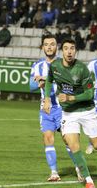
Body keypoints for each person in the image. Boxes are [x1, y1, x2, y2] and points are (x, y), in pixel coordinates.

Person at [44, 39, 97, 188]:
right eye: (66, 48)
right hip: (68, 113)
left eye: (72, 48)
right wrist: (47, 98)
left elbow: (89, 94)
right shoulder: (54, 66)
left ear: (75, 51)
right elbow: (49, 80)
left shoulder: (82, 69)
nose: (69, 51)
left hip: (87, 111)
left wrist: (70, 97)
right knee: (73, 145)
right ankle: (88, 180)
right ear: (62, 52)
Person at [29, 34, 82, 182]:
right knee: (47, 138)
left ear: (56, 47)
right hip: (45, 110)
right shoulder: (37, 65)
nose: (49, 47)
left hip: (63, 108)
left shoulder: (64, 63)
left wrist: (45, 79)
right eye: (46, 44)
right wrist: (38, 82)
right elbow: (31, 86)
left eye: (52, 44)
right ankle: (54, 172)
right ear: (42, 47)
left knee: (68, 140)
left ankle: (79, 168)